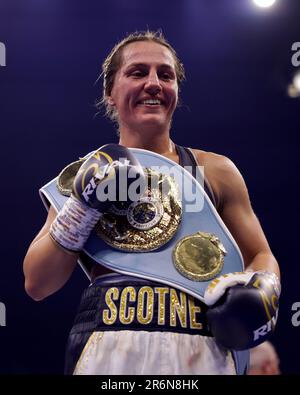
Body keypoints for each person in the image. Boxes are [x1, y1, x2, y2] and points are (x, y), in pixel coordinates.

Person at [23, 30, 281, 375]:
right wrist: (82, 208)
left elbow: (260, 255)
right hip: (111, 346)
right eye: (137, 72)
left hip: (202, 346)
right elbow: (37, 284)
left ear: (176, 89)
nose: (154, 83)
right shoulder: (81, 176)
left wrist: (262, 288)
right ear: (110, 93)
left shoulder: (216, 171)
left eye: (166, 74)